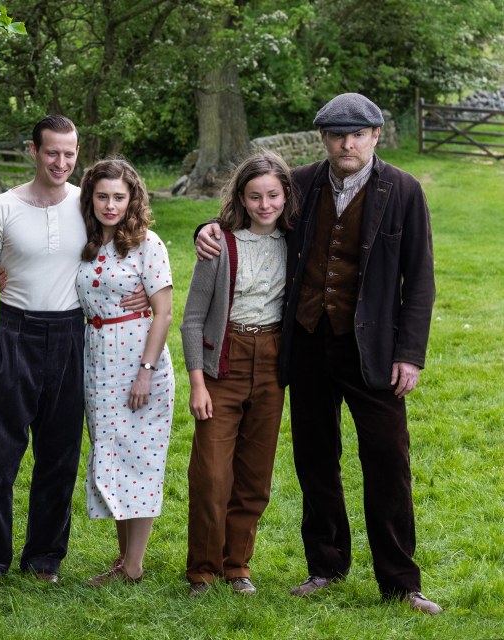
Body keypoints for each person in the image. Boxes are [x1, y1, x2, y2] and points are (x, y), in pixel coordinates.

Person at [195, 93, 440, 614]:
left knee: (387, 461)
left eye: (357, 134)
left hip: (372, 350)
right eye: (336, 134)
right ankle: (325, 566)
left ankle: (401, 581)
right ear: (323, 138)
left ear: (375, 136)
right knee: (314, 460)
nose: (346, 143)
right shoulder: (300, 183)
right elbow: (246, 212)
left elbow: (419, 280)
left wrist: (410, 355)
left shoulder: (403, 190)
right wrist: (205, 229)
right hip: (305, 343)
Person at [0, 116, 146, 583]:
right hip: (15, 332)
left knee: (60, 456)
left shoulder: (86, 207)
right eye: (52, 153)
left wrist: (149, 288)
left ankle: (44, 558)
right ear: (34, 150)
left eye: (70, 154)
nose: (61, 162)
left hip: (72, 335)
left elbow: (137, 236)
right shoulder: (0, 208)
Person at [182, 151, 297, 597]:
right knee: (211, 474)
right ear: (241, 198)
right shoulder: (219, 244)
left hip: (271, 362)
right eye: (255, 196)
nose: (265, 205)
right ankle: (203, 572)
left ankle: (237, 567)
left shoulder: (294, 242)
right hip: (222, 362)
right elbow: (192, 319)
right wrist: (197, 381)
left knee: (254, 476)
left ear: (286, 194)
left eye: (273, 194)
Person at [76, 159, 174, 586]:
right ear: (90, 198)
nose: (111, 205)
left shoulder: (147, 244)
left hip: (138, 360)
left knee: (142, 460)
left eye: (119, 197)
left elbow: (164, 312)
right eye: (102, 196)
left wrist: (145, 372)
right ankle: (122, 559)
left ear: (132, 198)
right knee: (111, 458)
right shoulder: (85, 242)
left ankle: (134, 565)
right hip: (97, 360)